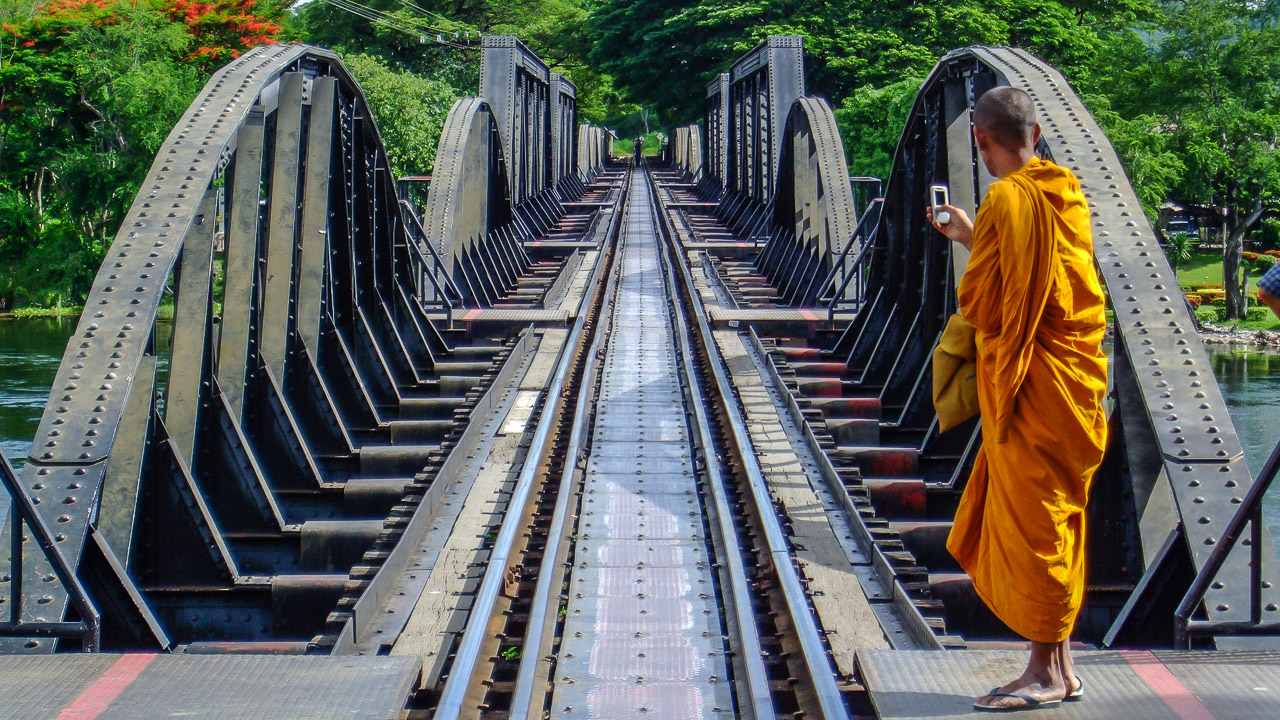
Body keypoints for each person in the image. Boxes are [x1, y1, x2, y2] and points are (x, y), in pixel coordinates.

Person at [927, 86, 1108, 712]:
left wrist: (973, 241)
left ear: (979, 140)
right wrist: (976, 236)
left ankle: (1044, 673)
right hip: (1072, 384)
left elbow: (985, 305)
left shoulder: (1007, 198)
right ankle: (1061, 667)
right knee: (1057, 522)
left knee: (1038, 527)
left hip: (1032, 386)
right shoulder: (1065, 190)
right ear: (1036, 134)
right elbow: (1049, 286)